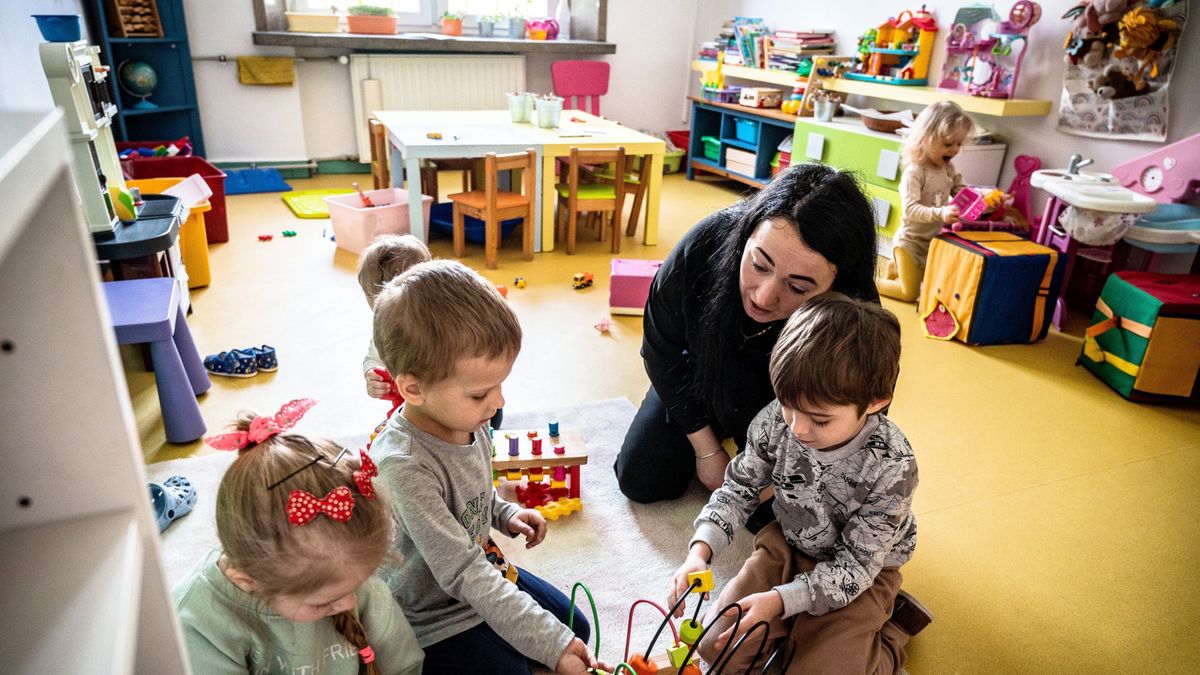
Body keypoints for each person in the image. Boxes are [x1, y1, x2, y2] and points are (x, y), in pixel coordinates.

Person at [667, 294, 931, 674]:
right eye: (788, 405)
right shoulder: (777, 420)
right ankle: (796, 625)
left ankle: (893, 633)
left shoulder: (893, 466)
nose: (797, 427)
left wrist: (778, 602)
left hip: (862, 571)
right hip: (791, 543)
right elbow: (738, 490)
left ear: (876, 402)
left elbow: (856, 566)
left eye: (820, 420)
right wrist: (700, 552)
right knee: (715, 646)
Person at [369, 260, 606, 675]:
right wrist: (548, 644)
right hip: (435, 613)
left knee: (576, 629)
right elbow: (461, 572)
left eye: (500, 386)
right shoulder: (403, 465)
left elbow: (473, 491)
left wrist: (504, 512)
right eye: (480, 393)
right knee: (542, 653)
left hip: (484, 566)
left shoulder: (466, 419)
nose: (498, 404)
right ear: (414, 388)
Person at [615, 163, 880, 505]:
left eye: (798, 286)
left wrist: (793, 473)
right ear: (746, 236)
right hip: (701, 379)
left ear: (835, 286)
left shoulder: (856, 311)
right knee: (642, 478)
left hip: (785, 407)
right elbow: (659, 351)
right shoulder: (704, 245)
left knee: (792, 518)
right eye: (759, 265)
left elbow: (855, 413)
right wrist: (707, 451)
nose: (764, 297)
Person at [174, 399, 424, 675]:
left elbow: (404, 664)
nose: (350, 603)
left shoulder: (347, 574)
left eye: (357, 586)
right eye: (323, 603)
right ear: (250, 581)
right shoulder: (197, 623)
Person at [877, 100, 974, 302]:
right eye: (948, 144)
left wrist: (986, 200)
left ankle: (897, 268)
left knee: (931, 285)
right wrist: (941, 213)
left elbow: (963, 192)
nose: (955, 150)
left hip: (931, 242)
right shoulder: (915, 172)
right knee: (910, 294)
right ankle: (870, 283)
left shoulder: (948, 169)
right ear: (926, 139)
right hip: (910, 244)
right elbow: (911, 209)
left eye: (959, 143)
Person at [358, 234, 433, 401]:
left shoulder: (445, 321)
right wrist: (372, 373)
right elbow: (373, 358)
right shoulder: (384, 328)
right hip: (411, 405)